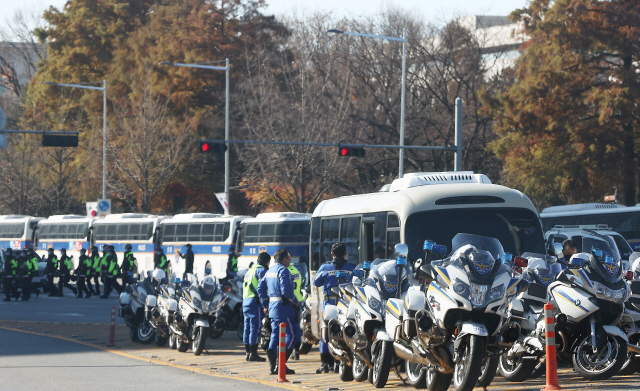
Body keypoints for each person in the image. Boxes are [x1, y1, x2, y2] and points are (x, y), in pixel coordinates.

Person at [313, 242, 356, 373]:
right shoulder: (351, 268)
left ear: (332, 254)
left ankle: (326, 364)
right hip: (346, 304)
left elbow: (316, 282)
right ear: (345, 254)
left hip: (329, 304)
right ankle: (342, 362)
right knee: (346, 332)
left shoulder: (325, 267)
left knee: (325, 333)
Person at [257, 249, 297, 375]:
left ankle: (273, 367)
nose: (290, 260)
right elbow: (286, 290)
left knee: (275, 335)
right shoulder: (283, 271)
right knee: (292, 336)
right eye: (289, 257)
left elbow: (260, 288)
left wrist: (265, 304)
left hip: (273, 307)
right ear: (284, 259)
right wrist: (295, 301)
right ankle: (281, 365)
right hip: (284, 307)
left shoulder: (269, 271)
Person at [242, 251, 270, 362]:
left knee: (247, 327)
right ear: (267, 262)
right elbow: (262, 289)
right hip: (255, 302)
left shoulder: (250, 271)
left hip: (246, 302)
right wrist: (265, 304)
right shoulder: (261, 271)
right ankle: (253, 353)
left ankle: (248, 352)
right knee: (255, 328)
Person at [287, 262, 304, 360]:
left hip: (289, 301)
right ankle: (296, 350)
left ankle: (289, 349)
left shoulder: (285, 270)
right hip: (298, 299)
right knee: (296, 325)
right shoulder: (296, 269)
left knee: (288, 327)